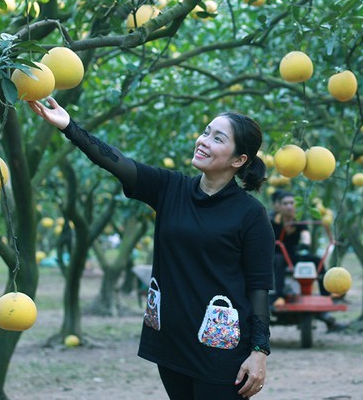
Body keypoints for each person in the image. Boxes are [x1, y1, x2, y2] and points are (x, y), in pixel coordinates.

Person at [29, 96, 274, 399]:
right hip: (172, 343)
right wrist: (69, 126)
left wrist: (260, 351)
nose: (203, 141)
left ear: (239, 160)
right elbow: (115, 162)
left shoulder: (250, 214)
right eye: (206, 132)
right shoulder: (170, 188)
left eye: (217, 138)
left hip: (221, 348)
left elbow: (258, 286)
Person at [269, 190, 343, 333]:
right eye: (286, 204)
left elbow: (305, 235)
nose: (289, 206)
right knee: (277, 260)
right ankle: (279, 295)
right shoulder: (273, 222)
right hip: (276, 255)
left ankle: (325, 293)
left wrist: (304, 243)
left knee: (316, 260)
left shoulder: (298, 221)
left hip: (293, 255)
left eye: (292, 203)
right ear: (279, 206)